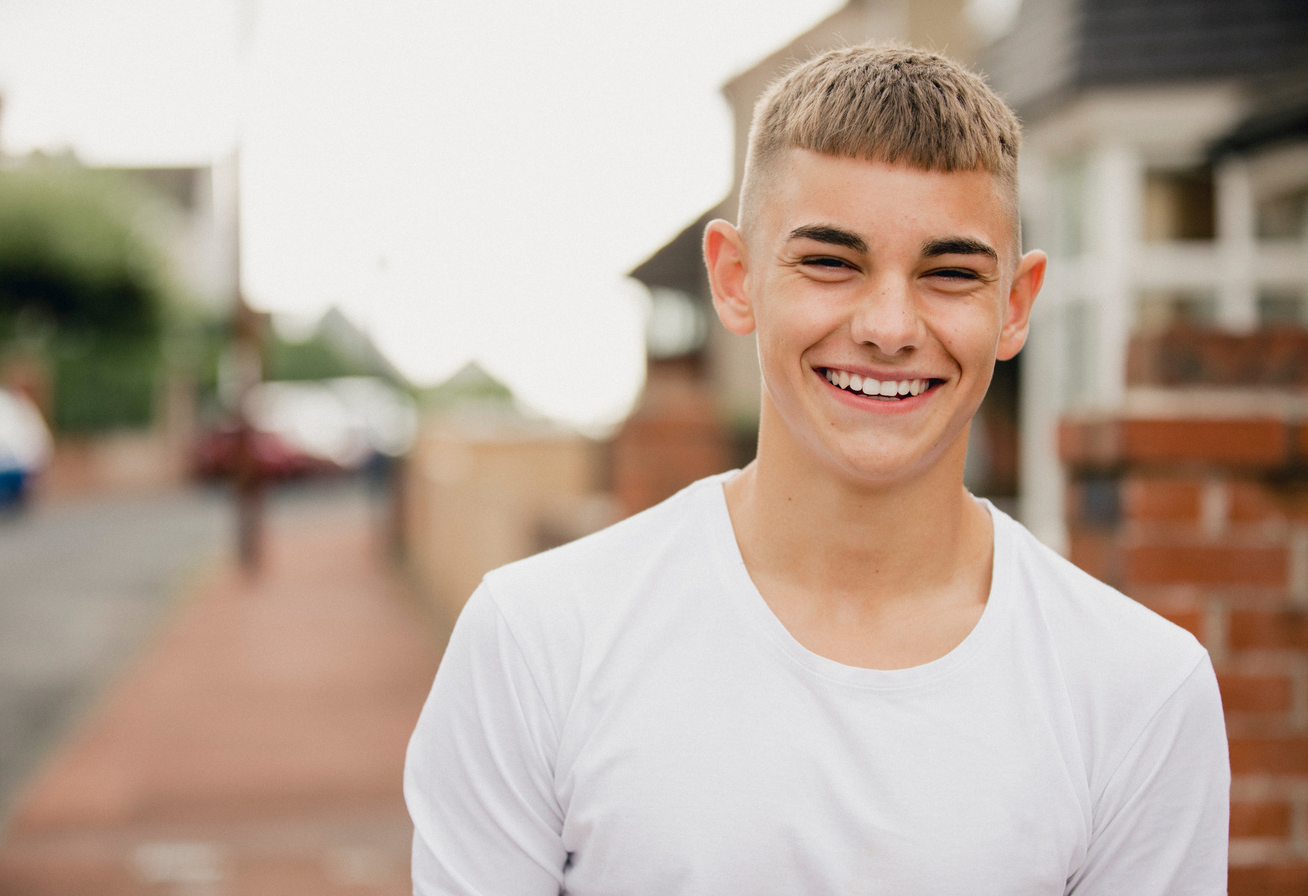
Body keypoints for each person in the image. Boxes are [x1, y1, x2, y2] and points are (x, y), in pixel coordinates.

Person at [404, 44, 1230, 894]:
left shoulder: (1140, 691)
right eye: (832, 262)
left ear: (1014, 307)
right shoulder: (540, 641)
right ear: (735, 279)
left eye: (950, 273)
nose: (888, 325)